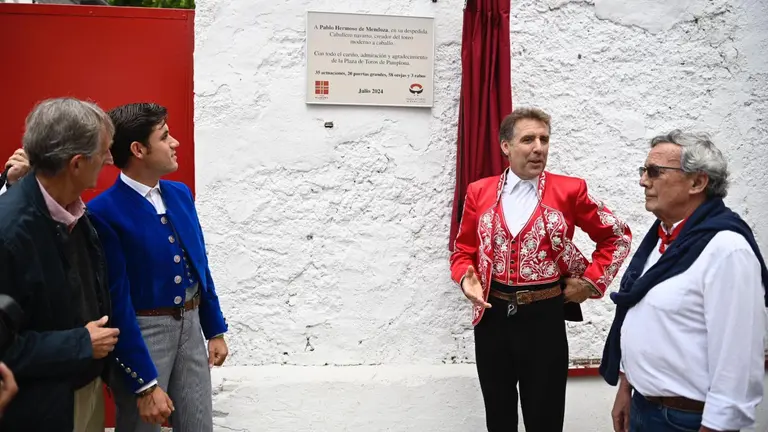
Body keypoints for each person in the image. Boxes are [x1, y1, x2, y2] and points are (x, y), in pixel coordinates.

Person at [450, 107, 632, 431]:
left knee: (545, 419)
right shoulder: (479, 192)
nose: (538, 147)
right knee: (499, 417)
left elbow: (616, 235)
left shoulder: (570, 190)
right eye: (528, 139)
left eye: (544, 139)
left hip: (544, 319)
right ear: (506, 146)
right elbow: (463, 250)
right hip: (492, 319)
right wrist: (467, 279)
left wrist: (590, 283)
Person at [601, 130, 767, 432]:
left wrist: (718, 426)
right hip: (643, 406)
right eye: (644, 171)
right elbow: (642, 314)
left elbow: (738, 358)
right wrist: (627, 385)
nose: (643, 181)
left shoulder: (726, 250)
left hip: (687, 421)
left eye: (655, 172)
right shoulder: (661, 239)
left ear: (697, 182)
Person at [87, 102, 229, 431]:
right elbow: (116, 299)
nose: (174, 142)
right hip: (143, 333)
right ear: (138, 149)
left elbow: (199, 264)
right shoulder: (103, 212)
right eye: (165, 137)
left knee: (197, 423)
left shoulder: (179, 193)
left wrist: (214, 329)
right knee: (141, 425)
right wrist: (142, 382)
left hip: (191, 327)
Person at [0, 97, 119, 431]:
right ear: (77, 163)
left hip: (80, 391)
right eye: (104, 151)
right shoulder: (9, 232)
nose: (109, 159)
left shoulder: (74, 212)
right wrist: (80, 343)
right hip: (39, 409)